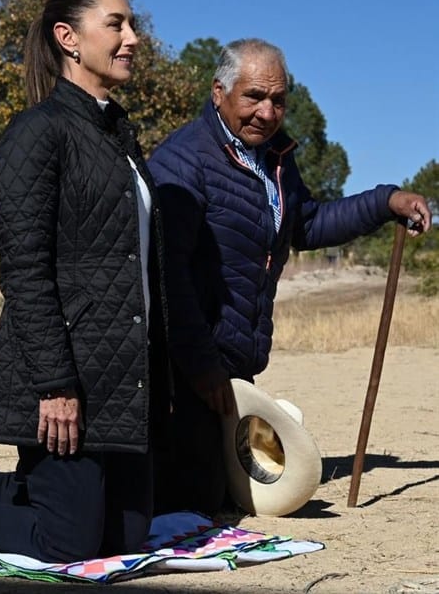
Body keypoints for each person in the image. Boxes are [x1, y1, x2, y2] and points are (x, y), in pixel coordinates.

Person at [0, 0, 170, 561]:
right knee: (65, 543)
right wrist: (55, 386)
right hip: (62, 376)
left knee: (126, 537)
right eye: (117, 24)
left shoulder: (119, 133)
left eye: (132, 25)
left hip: (120, 377)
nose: (133, 38)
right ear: (68, 38)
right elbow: (23, 271)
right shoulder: (36, 131)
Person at [147, 37, 432, 517]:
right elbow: (167, 275)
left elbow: (307, 224)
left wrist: (386, 202)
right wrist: (200, 365)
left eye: (278, 100)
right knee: (201, 497)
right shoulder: (184, 159)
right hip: (186, 367)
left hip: (234, 365)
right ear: (219, 92)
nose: (266, 111)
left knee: (231, 491)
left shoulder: (275, 160)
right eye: (253, 96)